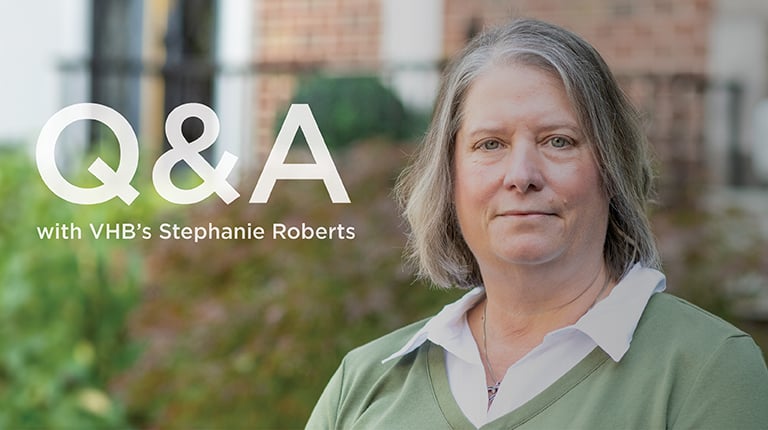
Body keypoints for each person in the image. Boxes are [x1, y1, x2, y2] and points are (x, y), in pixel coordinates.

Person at [306, 18, 768, 429]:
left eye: (558, 141)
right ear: (449, 178)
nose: (521, 176)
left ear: (612, 169)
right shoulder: (364, 380)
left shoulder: (707, 367)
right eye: (490, 145)